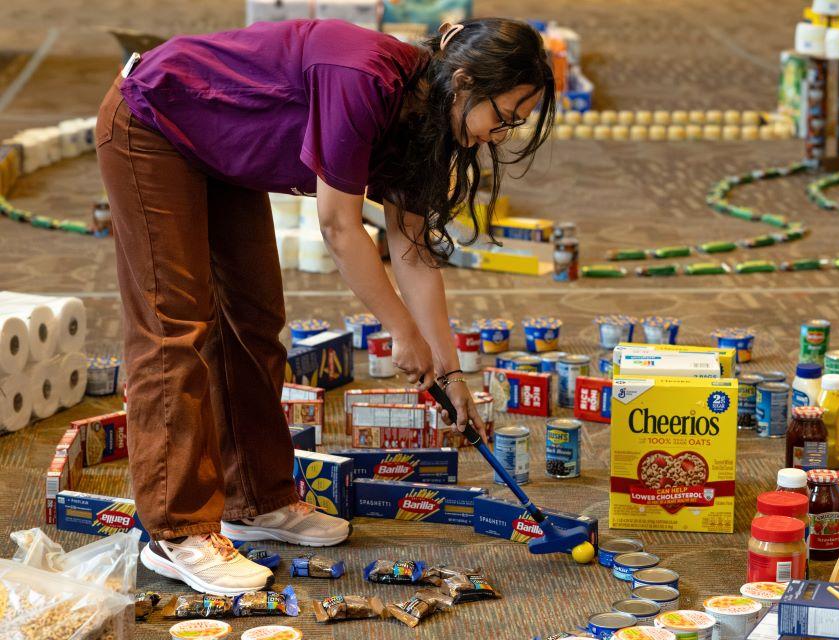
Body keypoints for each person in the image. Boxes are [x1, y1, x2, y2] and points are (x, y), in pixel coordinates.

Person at [95, 17, 555, 595]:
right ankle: (177, 531)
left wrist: (451, 367)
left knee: (253, 322)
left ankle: (257, 502)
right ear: (463, 79)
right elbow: (339, 227)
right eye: (504, 116)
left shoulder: (428, 122)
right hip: (154, 124)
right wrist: (399, 334)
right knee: (176, 328)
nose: (500, 134)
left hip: (218, 150)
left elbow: (411, 252)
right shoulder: (361, 77)